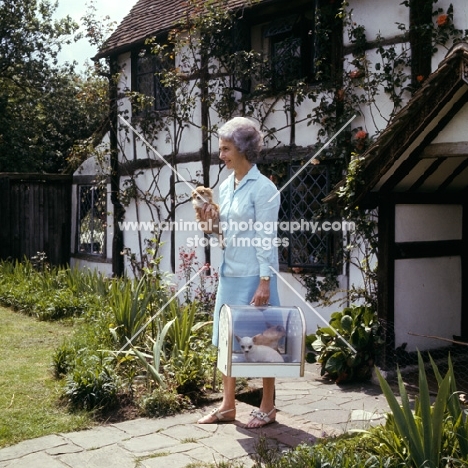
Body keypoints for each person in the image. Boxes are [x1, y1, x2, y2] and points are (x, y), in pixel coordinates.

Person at [197, 116, 281, 428]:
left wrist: (264, 281)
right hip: (229, 275)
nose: (220, 155)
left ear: (243, 149)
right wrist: (209, 223)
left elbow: (266, 239)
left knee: (264, 341)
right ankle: (228, 406)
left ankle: (268, 406)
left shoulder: (264, 189)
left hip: (254, 278)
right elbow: (223, 235)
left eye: (226, 149)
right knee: (226, 340)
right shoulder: (225, 186)